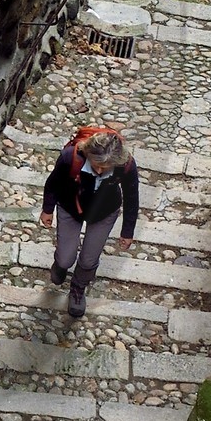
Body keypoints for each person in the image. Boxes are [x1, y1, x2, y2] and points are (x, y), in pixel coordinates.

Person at [39, 126, 140, 320]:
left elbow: (131, 196)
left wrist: (127, 231)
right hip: (70, 207)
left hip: (104, 212)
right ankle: (60, 265)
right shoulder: (70, 157)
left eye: (106, 167)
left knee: (88, 260)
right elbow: (53, 183)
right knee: (66, 257)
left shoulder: (126, 165)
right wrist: (47, 209)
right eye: (97, 165)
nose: (101, 170)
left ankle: (78, 289)